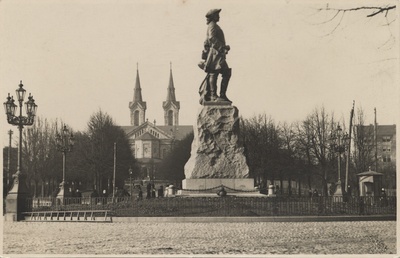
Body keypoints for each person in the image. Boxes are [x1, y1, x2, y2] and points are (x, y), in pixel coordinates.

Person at [198, 9, 232, 104]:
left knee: (224, 73)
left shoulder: (213, 26)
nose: (219, 16)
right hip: (215, 54)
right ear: (213, 16)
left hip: (217, 54)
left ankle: (222, 95)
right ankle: (214, 96)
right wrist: (222, 47)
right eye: (217, 15)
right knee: (215, 73)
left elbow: (206, 41)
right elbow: (211, 38)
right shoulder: (212, 26)